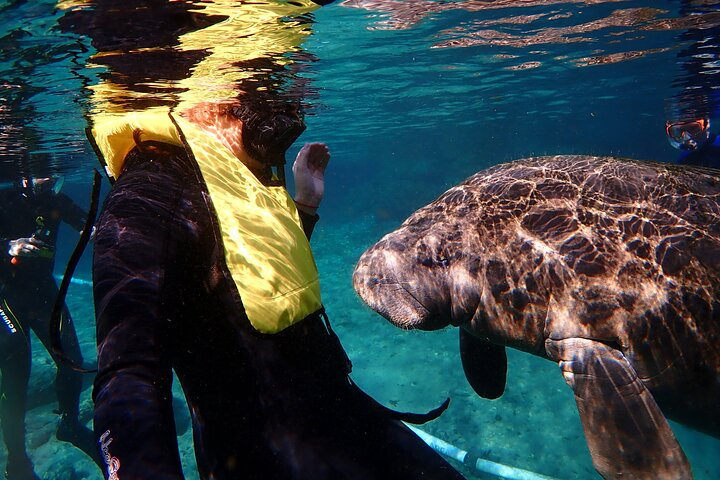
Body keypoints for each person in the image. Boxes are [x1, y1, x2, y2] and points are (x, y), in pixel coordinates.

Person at [86, 98, 466, 480]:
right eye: (257, 99)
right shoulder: (146, 198)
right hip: (262, 454)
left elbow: (248, 278)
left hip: (341, 413)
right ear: (204, 107)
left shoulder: (223, 175)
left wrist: (304, 205)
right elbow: (127, 374)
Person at [0, 176, 101, 479]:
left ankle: (69, 423)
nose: (49, 179)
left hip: (44, 293)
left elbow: (86, 224)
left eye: (53, 176)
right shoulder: (6, 196)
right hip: (6, 295)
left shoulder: (55, 201)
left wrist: (95, 231)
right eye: (42, 175)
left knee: (72, 362)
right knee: (17, 375)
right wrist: (8, 247)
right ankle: (17, 458)